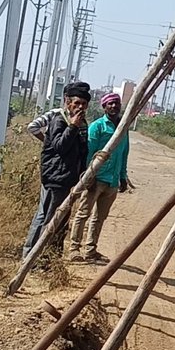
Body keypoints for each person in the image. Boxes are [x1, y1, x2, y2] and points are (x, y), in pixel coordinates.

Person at [21, 80, 91, 262]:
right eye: (77, 103)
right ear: (68, 102)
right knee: (51, 219)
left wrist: (83, 174)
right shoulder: (60, 120)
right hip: (56, 178)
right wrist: (72, 126)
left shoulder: (82, 124)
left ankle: (43, 257)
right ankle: (38, 259)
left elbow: (82, 151)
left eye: (83, 104)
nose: (80, 107)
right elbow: (60, 146)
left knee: (55, 218)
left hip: (68, 178)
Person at [68, 90, 131, 264]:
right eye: (110, 103)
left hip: (112, 180)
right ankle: (74, 249)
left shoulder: (123, 128)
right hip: (96, 179)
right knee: (83, 214)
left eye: (116, 103)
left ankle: (91, 250)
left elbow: (124, 153)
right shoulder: (98, 126)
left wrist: (123, 177)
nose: (114, 106)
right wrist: (88, 177)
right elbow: (88, 153)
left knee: (100, 218)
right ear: (104, 107)